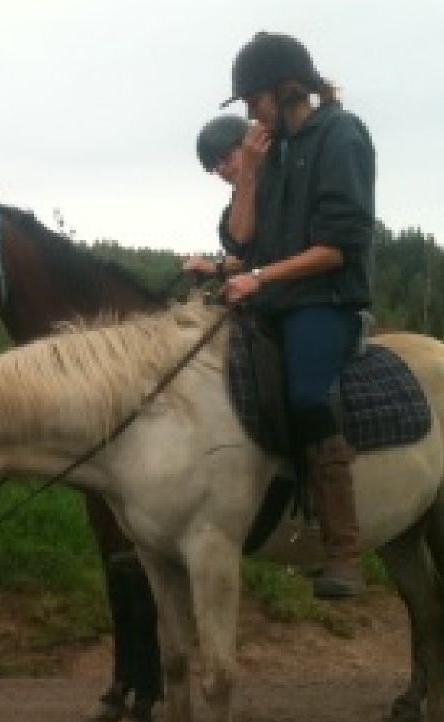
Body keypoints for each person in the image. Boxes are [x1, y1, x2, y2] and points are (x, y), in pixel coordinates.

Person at [217, 32, 376, 598]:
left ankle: (343, 549)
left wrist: (259, 278)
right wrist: (252, 174)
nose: (251, 114)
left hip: (325, 302)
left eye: (254, 100)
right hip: (274, 299)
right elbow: (241, 238)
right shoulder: (273, 152)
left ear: (287, 89)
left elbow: (336, 248)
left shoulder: (342, 134)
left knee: (307, 393)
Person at [182, 114, 271, 281]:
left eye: (226, 158)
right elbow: (241, 252)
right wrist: (214, 268)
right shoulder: (230, 215)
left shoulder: (286, 188)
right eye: (215, 166)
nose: (222, 169)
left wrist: (215, 268)